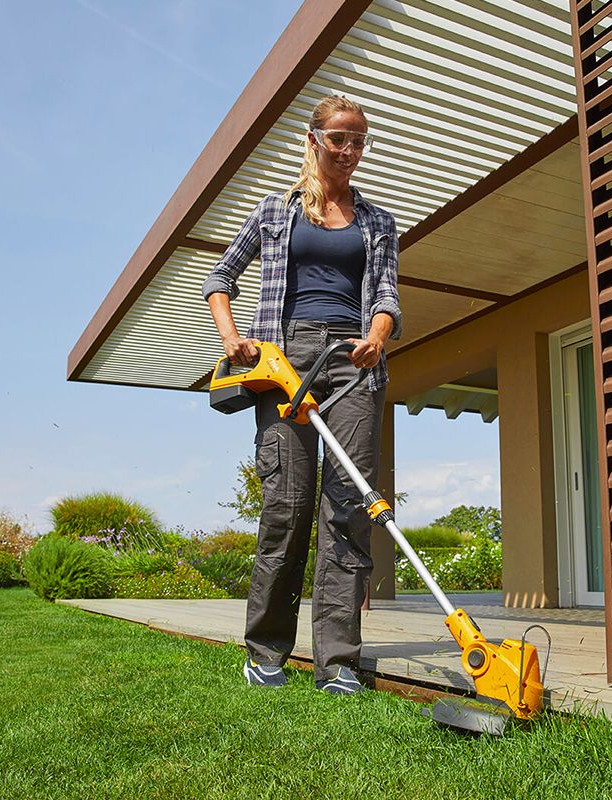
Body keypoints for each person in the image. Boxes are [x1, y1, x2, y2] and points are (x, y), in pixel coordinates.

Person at [202, 95, 401, 695]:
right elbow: (220, 278)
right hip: (285, 360)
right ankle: (266, 650)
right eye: (338, 138)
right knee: (286, 506)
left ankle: (337, 661)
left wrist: (377, 334)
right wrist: (234, 338)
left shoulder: (378, 221)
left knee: (348, 509)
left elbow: (388, 292)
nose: (349, 150)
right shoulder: (273, 212)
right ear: (313, 139)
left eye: (359, 140)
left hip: (351, 363)